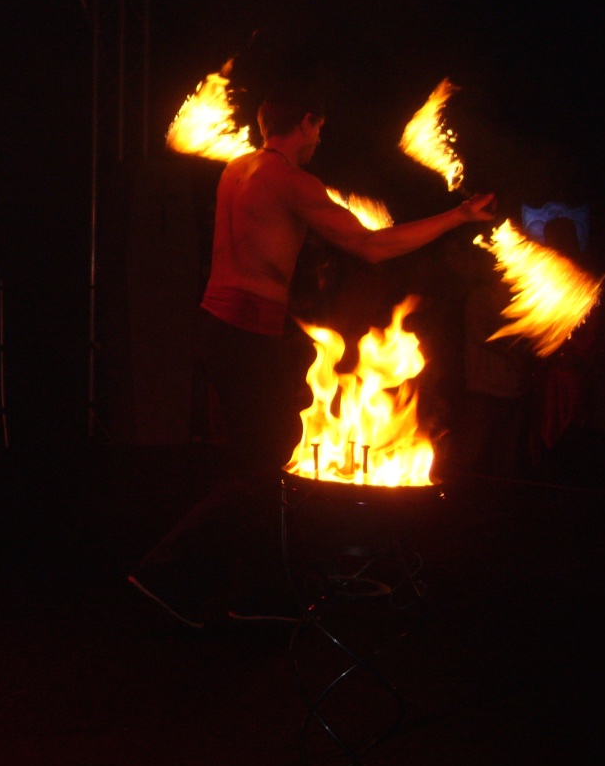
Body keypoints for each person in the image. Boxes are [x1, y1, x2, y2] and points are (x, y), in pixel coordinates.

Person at [130, 83, 496, 628]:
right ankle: (166, 575)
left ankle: (253, 594)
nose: (321, 138)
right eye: (319, 127)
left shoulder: (239, 169)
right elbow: (372, 247)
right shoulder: (291, 180)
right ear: (306, 122)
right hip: (244, 336)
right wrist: (458, 217)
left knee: (264, 466)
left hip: (217, 328)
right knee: (262, 470)